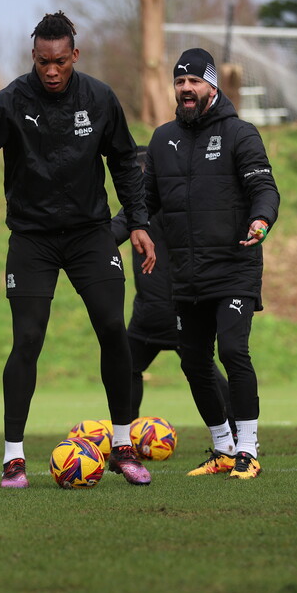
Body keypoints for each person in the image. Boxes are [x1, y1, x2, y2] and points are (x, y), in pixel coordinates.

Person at [0, 11, 156, 488]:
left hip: (90, 234)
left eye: (59, 61)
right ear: (33, 56)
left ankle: (121, 445)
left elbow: (123, 161)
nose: (51, 71)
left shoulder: (98, 98)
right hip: (32, 239)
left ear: (74, 54)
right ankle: (14, 458)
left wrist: (138, 223)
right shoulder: (10, 101)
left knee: (114, 328)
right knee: (28, 340)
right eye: (42, 62)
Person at [143, 48, 280, 480]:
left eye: (193, 82)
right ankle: (223, 447)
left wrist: (261, 219)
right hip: (187, 274)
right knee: (193, 360)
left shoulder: (241, 134)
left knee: (233, 350)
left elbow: (265, 187)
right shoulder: (162, 140)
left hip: (235, 265)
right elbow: (142, 205)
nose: (185, 89)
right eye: (179, 82)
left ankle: (249, 449)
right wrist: (105, 236)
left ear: (212, 86)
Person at [110, 148, 238, 472]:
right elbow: (110, 234)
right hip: (154, 310)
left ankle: (126, 440)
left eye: (134, 173)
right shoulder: (144, 209)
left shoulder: (166, 206)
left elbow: (111, 234)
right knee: (140, 366)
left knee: (193, 368)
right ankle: (238, 431)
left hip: (172, 306)